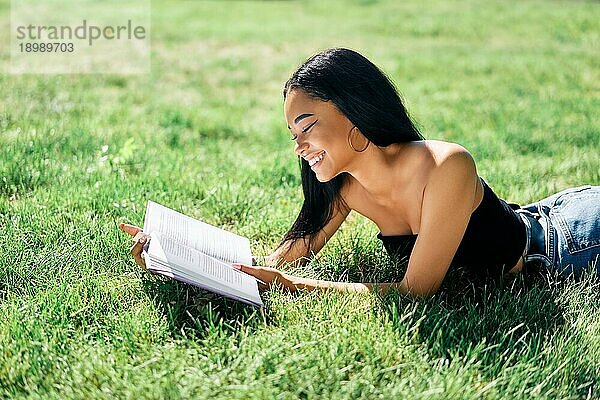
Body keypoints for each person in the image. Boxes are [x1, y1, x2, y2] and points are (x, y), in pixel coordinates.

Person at [122, 48, 600, 299]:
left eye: (306, 126)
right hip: (546, 217)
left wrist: (297, 289)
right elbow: (276, 263)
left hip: (568, 244)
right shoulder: (344, 187)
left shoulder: (447, 166)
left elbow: (415, 292)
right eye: (292, 132)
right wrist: (172, 255)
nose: (298, 145)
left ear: (355, 115)